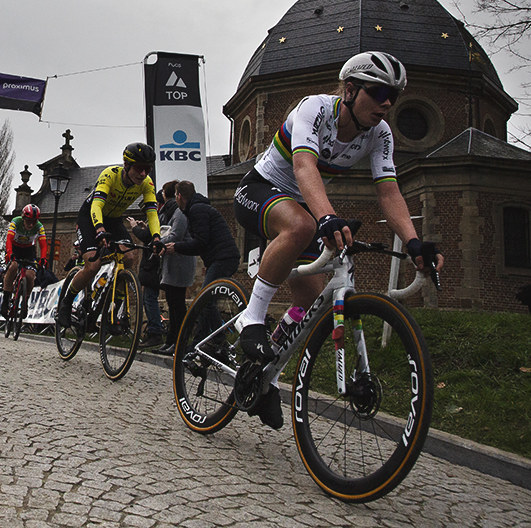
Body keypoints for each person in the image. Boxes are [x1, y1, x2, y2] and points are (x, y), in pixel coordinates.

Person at [231, 51, 444, 429]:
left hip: (303, 204)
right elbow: (303, 167)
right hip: (261, 189)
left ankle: (264, 377)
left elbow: (390, 192)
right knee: (301, 226)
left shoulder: (379, 135)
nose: (387, 103)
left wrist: (414, 243)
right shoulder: (314, 109)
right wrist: (326, 217)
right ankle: (253, 317)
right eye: (378, 92)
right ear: (349, 90)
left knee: (310, 302)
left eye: (392, 95)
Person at [57, 142, 163, 328]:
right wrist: (99, 229)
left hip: (113, 219)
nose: (143, 174)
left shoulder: (147, 184)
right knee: (92, 266)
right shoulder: (110, 175)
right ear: (127, 165)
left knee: (129, 258)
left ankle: (113, 311)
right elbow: (97, 206)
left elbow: (152, 213)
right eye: (139, 168)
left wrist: (156, 238)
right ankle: (66, 304)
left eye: (148, 169)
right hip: (90, 217)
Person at [165, 179, 240, 285]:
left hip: (223, 259)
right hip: (221, 258)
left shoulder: (196, 210)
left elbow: (200, 243)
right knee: (210, 295)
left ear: (179, 196)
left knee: (206, 297)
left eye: (176, 196)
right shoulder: (198, 208)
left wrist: (176, 247)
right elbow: (200, 246)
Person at [153, 180, 195, 356]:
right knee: (172, 303)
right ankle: (171, 340)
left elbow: (176, 234)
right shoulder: (172, 212)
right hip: (172, 263)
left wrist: (157, 241)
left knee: (177, 305)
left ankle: (179, 342)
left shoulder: (180, 213)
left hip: (180, 263)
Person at [1, 204, 49, 321]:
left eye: (33, 221)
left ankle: (25, 302)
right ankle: (5, 300)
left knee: (30, 275)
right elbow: (9, 239)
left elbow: (43, 244)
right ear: (23, 218)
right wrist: (9, 253)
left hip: (28, 250)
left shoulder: (39, 226)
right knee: (13, 267)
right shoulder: (15, 221)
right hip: (14, 249)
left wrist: (43, 258)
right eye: (28, 221)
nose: (31, 224)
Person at [131, 214, 166, 348]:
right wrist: (146, 227)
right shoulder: (159, 217)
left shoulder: (157, 217)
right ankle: (153, 331)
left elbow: (146, 236)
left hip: (152, 269)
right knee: (148, 300)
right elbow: (150, 236)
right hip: (150, 269)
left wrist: (134, 227)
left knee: (150, 300)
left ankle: (155, 332)